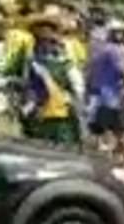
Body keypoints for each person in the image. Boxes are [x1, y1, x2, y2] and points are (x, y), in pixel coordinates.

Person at [17, 15, 81, 145]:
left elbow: (78, 87)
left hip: (61, 118)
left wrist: (71, 99)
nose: (45, 44)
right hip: (38, 118)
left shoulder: (65, 63)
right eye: (40, 39)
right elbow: (25, 86)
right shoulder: (29, 62)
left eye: (49, 40)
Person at [85, 21, 124, 161]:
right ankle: (116, 153)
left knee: (98, 123)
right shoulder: (113, 50)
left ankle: (102, 150)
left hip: (99, 90)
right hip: (110, 92)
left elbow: (90, 70)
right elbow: (122, 70)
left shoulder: (99, 49)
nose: (121, 35)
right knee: (113, 123)